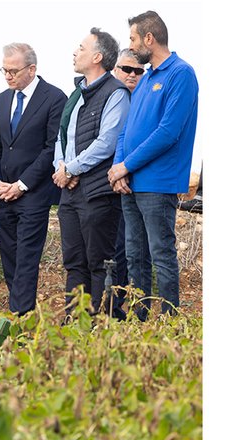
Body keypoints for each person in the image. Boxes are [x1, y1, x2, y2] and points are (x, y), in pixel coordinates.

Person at [108, 10, 199, 320]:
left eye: (133, 39)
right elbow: (126, 129)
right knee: (135, 257)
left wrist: (126, 166)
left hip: (158, 184)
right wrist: (120, 166)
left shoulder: (181, 74)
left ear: (149, 38)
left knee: (161, 254)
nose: (131, 46)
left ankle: (171, 324)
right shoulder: (146, 78)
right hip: (131, 182)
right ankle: (140, 318)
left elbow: (168, 133)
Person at [53, 28, 130, 319]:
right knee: (74, 263)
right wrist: (61, 168)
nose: (75, 51)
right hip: (70, 191)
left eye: (81, 47)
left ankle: (100, 328)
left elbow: (107, 142)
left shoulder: (116, 93)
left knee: (100, 262)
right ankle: (75, 326)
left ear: (97, 56)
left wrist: (71, 168)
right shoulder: (76, 93)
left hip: (98, 193)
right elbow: (63, 138)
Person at [0, 42, 67, 316]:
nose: (8, 76)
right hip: (4, 192)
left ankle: (19, 318)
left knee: (26, 258)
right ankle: (22, 311)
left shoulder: (55, 98)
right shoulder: (2, 99)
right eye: (4, 70)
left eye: (13, 71)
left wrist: (22, 185)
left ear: (31, 69)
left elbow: (51, 148)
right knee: (9, 255)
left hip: (33, 192)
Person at [110, 48, 149, 303]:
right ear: (115, 69)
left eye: (138, 71)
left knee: (133, 249)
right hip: (106, 182)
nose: (132, 75)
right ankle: (110, 304)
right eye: (127, 69)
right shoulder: (107, 97)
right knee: (112, 249)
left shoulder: (145, 101)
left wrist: (124, 170)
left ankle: (128, 306)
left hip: (135, 184)